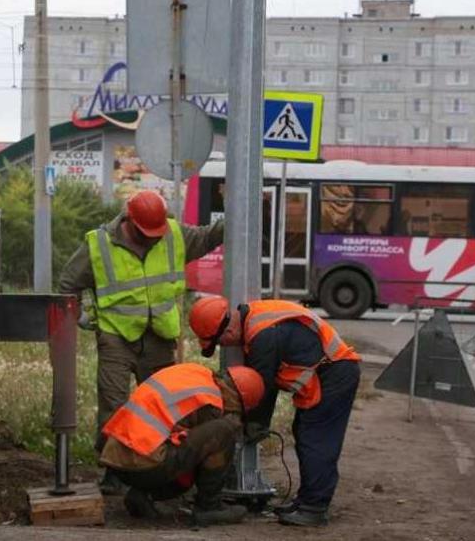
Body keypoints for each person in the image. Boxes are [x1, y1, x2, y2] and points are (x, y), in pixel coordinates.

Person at [58, 190, 224, 494]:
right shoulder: (98, 244)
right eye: (147, 234)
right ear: (129, 221)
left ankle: (160, 467)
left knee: (165, 406)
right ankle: (114, 470)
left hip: (159, 335)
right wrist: (80, 313)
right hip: (116, 336)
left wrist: (239, 210)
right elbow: (69, 283)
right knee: (114, 404)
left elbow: (208, 237)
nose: (153, 239)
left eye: (156, 233)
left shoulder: (173, 234)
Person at [188, 297, 362, 527]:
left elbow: (262, 389)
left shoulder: (263, 336)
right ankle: (307, 500)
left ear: (228, 328)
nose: (224, 347)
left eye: (220, 341)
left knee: (316, 439)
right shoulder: (256, 318)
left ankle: (314, 508)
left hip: (334, 374)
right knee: (304, 433)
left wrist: (254, 425)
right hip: (330, 372)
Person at [100, 363, 265, 526]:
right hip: (145, 461)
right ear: (236, 398)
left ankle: (143, 494)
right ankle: (209, 506)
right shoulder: (210, 402)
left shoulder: (196, 372)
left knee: (190, 461)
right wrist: (236, 427)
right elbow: (208, 449)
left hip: (117, 459)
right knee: (224, 432)